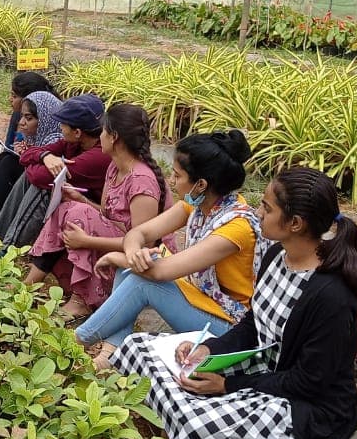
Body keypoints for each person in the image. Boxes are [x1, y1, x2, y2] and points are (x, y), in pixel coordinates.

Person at [109, 166, 357, 439]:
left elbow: (308, 381)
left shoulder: (332, 296)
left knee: (199, 425)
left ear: (295, 223)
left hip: (302, 399)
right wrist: (209, 349)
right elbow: (253, 323)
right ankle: (177, 424)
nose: (258, 212)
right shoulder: (276, 255)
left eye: (267, 208)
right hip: (261, 370)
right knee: (138, 347)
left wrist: (227, 386)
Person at [78, 130, 265, 367]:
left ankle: (74, 341)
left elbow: (160, 272)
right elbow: (139, 233)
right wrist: (133, 253)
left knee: (142, 281)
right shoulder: (198, 205)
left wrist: (120, 257)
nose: (171, 181)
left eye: (177, 175)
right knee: (132, 269)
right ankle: (110, 353)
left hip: (232, 327)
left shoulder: (236, 227)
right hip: (205, 300)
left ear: (201, 184)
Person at [27, 103, 168, 321]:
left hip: (133, 262)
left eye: (103, 131)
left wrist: (87, 241)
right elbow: (107, 215)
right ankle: (31, 281)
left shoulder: (142, 181)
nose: (99, 136)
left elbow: (143, 245)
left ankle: (82, 301)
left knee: (79, 214)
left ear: (114, 137)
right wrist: (81, 199)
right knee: (69, 207)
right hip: (115, 243)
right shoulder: (114, 167)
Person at [0, 94, 109, 247]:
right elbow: (25, 156)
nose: (60, 127)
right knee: (21, 168)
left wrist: (37, 161)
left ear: (77, 132)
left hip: (95, 212)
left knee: (43, 187)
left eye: (63, 124)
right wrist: (44, 156)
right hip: (75, 198)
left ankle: (8, 248)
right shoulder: (75, 142)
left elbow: (39, 177)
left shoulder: (97, 156)